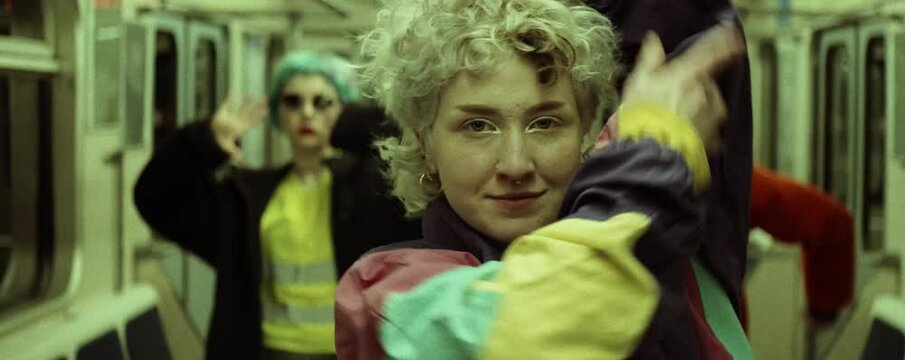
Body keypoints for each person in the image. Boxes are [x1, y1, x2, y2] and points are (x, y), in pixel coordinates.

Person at [335, 0, 751, 358]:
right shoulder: (386, 298)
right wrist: (658, 146)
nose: (515, 165)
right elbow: (547, 326)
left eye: (546, 123)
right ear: (426, 142)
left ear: (586, 129)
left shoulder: (670, 240)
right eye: (478, 126)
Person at [133, 50, 420, 359]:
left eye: (322, 102)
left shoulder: (370, 190)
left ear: (343, 108)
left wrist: (352, 123)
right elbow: (154, 198)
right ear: (278, 114)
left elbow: (410, 139)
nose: (307, 113)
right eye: (293, 102)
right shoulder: (249, 197)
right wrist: (204, 141)